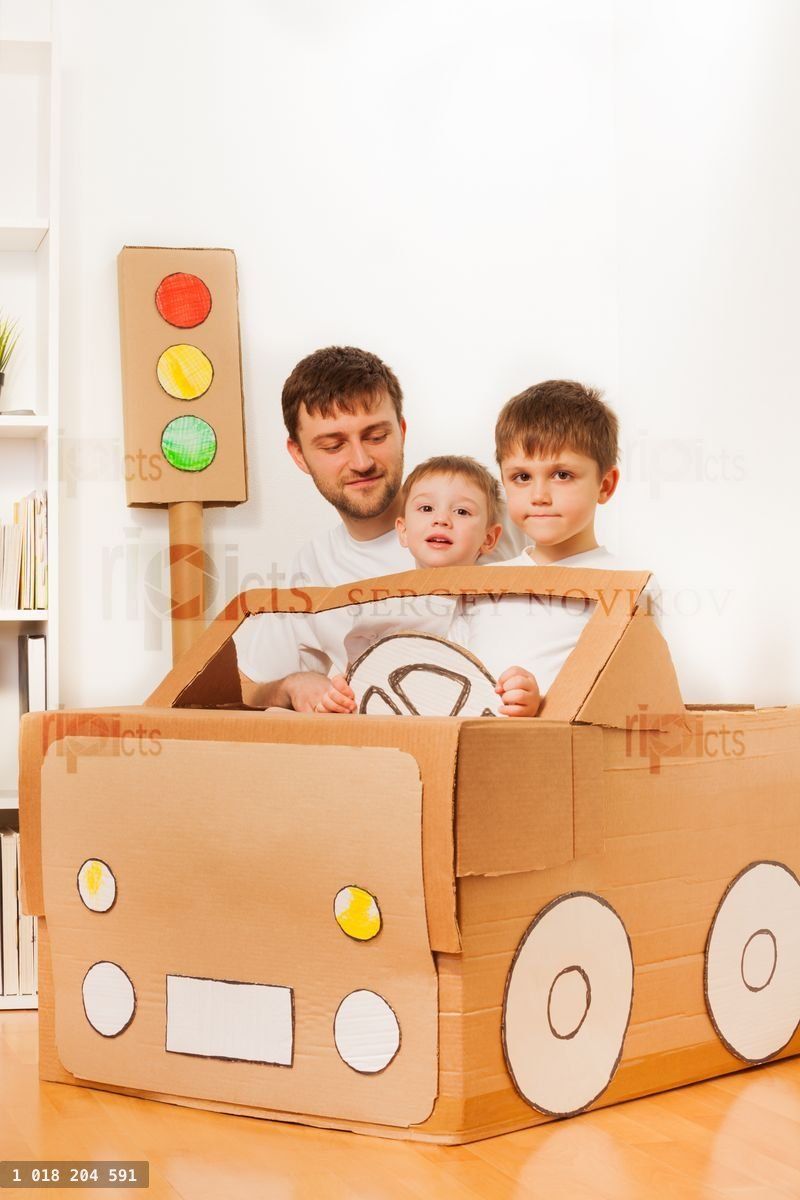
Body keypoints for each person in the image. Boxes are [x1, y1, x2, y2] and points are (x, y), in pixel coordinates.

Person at [234, 346, 528, 710]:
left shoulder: (491, 513)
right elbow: (243, 691)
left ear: (402, 431)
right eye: (333, 445)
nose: (361, 461)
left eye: (376, 437)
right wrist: (292, 685)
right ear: (298, 455)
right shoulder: (311, 571)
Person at [448, 378, 662, 697]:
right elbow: (446, 684)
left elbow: (636, 697)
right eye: (521, 477)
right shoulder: (480, 586)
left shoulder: (628, 586)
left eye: (562, 475)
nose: (539, 496)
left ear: (605, 485)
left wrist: (542, 704)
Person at [314, 455, 541, 717]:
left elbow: (510, 674)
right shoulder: (383, 605)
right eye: (426, 509)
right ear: (403, 530)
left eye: (462, 512)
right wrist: (335, 698)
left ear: (489, 539)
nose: (441, 520)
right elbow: (355, 677)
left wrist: (523, 694)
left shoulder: (500, 608)